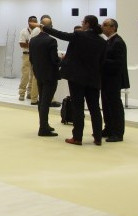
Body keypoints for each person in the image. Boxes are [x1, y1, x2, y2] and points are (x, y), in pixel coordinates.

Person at [33, 15, 106, 146]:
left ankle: (77, 137)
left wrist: (44, 28)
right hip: (94, 79)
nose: (82, 24)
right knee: (95, 108)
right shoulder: (102, 42)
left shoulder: (79, 35)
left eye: (83, 22)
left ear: (87, 24)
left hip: (76, 78)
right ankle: (98, 137)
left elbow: (61, 35)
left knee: (78, 108)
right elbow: (102, 62)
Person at [28, 15, 60, 137]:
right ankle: (43, 127)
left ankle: (44, 124)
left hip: (39, 74)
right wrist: (63, 61)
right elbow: (54, 60)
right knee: (46, 102)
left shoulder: (33, 40)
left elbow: (31, 59)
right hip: (50, 75)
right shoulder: (51, 41)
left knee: (42, 101)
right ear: (51, 27)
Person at [101, 18, 129, 142]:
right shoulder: (109, 41)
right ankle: (108, 128)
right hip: (106, 78)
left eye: (105, 25)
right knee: (106, 105)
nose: (102, 27)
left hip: (113, 79)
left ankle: (118, 132)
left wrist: (101, 60)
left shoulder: (118, 42)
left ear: (113, 27)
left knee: (114, 106)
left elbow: (118, 63)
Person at [18, 16, 39, 102]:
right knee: (25, 74)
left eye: (35, 21)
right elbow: (22, 44)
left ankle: (30, 93)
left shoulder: (38, 31)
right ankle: (22, 93)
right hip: (26, 55)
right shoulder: (23, 31)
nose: (34, 23)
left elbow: (39, 44)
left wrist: (29, 43)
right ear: (29, 22)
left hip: (36, 55)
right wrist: (33, 44)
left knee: (34, 75)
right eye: (33, 22)